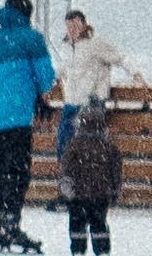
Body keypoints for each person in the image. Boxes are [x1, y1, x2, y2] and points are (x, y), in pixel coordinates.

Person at [0, 0, 57, 254]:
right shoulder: (32, 39)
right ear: (27, 14)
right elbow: (46, 79)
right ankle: (10, 224)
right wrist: (30, 90)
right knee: (18, 174)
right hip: (17, 116)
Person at [55, 9, 135, 166]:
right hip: (71, 103)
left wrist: (135, 73)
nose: (72, 30)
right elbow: (66, 69)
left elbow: (120, 58)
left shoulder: (96, 43)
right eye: (69, 26)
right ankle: (68, 179)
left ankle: (83, 182)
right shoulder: (68, 48)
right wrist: (53, 78)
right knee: (63, 144)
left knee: (86, 148)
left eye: (76, 25)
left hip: (91, 105)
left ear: (84, 25)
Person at [60, 97, 122, 256]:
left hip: (78, 195)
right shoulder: (109, 147)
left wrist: (66, 187)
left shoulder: (73, 145)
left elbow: (66, 169)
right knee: (99, 223)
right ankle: (102, 252)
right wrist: (115, 189)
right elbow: (115, 170)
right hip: (101, 194)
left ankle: (78, 252)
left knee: (77, 223)